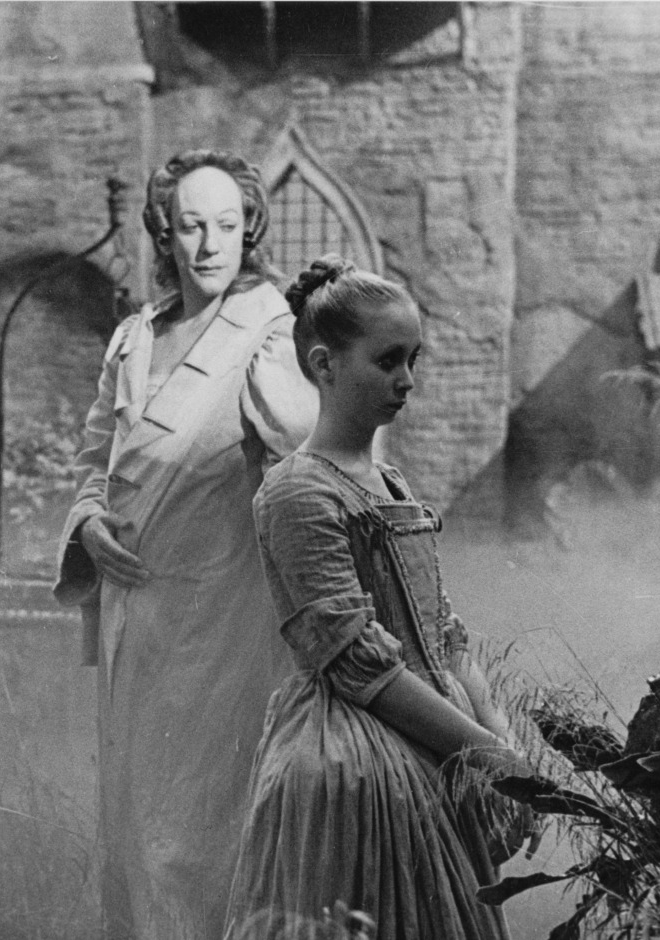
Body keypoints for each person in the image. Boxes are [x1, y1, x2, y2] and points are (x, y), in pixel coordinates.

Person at [223, 256, 536, 940]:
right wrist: (483, 751)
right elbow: (360, 667)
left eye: (412, 359)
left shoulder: (391, 483)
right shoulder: (297, 490)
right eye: (388, 360)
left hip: (436, 736)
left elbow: (445, 637)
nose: (407, 379)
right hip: (356, 765)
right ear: (325, 364)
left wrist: (500, 742)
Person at [53, 151, 318, 939]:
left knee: (192, 840)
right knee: (132, 835)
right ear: (164, 233)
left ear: (249, 229)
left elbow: (310, 473)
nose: (209, 244)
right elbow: (93, 463)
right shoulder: (134, 338)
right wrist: (88, 523)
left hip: (221, 626)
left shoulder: (272, 333)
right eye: (192, 226)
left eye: (226, 226)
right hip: (133, 626)